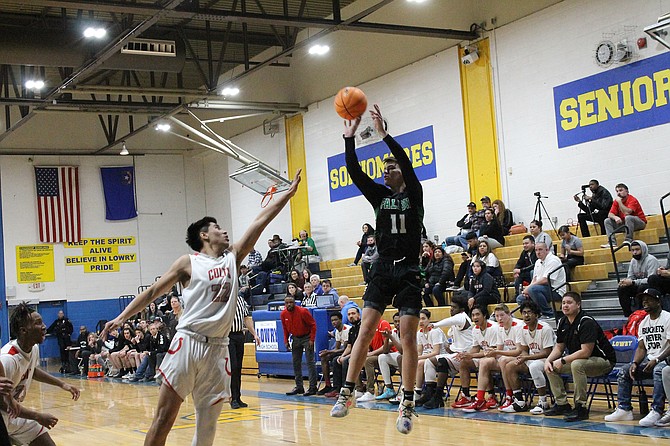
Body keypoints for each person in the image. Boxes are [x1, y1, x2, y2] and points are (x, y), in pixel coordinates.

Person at [101, 170, 301, 446]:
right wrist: (122, 316)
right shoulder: (188, 263)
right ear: (205, 235)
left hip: (218, 349)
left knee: (207, 430)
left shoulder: (233, 257)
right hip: (188, 343)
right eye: (218, 227)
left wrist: (287, 195)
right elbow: (151, 292)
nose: (225, 230)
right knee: (163, 420)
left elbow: (260, 221)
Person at [331, 105, 424, 435]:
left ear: (401, 172)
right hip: (384, 268)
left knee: (409, 338)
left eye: (391, 168)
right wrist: (349, 138)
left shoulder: (414, 193)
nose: (386, 172)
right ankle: (347, 393)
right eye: (385, 169)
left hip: (411, 268)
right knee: (366, 330)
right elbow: (355, 172)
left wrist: (385, 135)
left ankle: (408, 403)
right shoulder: (379, 196)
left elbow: (408, 165)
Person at [1, 303, 80, 445]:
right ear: (24, 330)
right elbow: (2, 403)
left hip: (15, 414)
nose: (44, 326)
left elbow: (32, 370)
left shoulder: (33, 348)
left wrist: (62, 384)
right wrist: (37, 416)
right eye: (37, 323)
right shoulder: (8, 359)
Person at [544, 292, 616, 421]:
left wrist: (563, 360)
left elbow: (585, 352)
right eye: (564, 303)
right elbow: (559, 347)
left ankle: (580, 407)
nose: (565, 306)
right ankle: (562, 404)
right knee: (551, 367)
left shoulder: (586, 321)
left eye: (569, 303)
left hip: (603, 361)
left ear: (578, 305)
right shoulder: (562, 321)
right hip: (580, 360)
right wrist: (549, 360)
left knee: (577, 364)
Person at [605, 289, 670, 426]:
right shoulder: (643, 323)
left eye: (649, 299)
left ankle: (657, 410)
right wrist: (635, 362)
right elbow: (641, 347)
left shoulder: (667, 318)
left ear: (658, 302)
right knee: (625, 370)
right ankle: (624, 409)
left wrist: (657, 359)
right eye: (643, 299)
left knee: (659, 369)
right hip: (649, 361)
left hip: (665, 360)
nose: (644, 302)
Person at [500, 300, 555, 414]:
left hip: (549, 360)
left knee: (534, 367)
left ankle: (543, 401)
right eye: (524, 312)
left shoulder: (545, 328)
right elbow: (524, 350)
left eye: (529, 312)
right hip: (533, 358)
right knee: (510, 366)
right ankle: (519, 401)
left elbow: (547, 352)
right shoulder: (522, 329)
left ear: (536, 314)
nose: (526, 315)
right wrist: (522, 358)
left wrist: (527, 358)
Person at [422, 295, 473, 409]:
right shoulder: (456, 324)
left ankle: (438, 396)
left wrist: (434, 324)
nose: (451, 309)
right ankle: (430, 392)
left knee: (442, 361)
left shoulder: (462, 317)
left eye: (454, 307)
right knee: (429, 361)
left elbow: (450, 320)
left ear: (461, 310)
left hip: (467, 355)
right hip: (456, 355)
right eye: (451, 306)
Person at [451, 305, 499, 410]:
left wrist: (471, 355)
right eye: (473, 315)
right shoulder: (475, 329)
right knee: (464, 362)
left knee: (484, 362)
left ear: (485, 315)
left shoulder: (494, 327)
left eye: (477, 314)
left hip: (499, 357)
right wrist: (465, 354)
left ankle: (491, 396)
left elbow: (493, 352)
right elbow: (475, 348)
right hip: (486, 357)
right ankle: (466, 396)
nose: (475, 317)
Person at [228, 295, 260, 409]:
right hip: (227, 336)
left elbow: (246, 318)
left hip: (239, 335)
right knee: (233, 367)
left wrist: (254, 334)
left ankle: (238, 397)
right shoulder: (223, 299)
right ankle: (232, 397)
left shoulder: (241, 300)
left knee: (239, 367)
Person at [281, 296, 318, 396]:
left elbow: (313, 325)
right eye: (287, 303)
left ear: (294, 303)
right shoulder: (283, 314)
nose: (289, 304)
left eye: (291, 302)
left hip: (306, 337)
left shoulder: (303, 311)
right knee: (295, 362)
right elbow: (285, 328)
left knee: (310, 362)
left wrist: (312, 339)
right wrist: (286, 341)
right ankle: (299, 387)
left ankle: (312, 387)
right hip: (295, 338)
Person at [519, 242, 566, 318]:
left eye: (540, 249)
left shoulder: (553, 260)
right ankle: (534, 315)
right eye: (536, 250)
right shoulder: (538, 262)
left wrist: (529, 288)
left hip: (556, 290)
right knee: (520, 298)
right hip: (543, 289)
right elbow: (534, 279)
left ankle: (549, 314)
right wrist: (527, 289)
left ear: (547, 250)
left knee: (533, 289)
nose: (538, 252)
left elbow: (546, 280)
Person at [325, 306, 363, 399]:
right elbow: (349, 347)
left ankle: (346, 388)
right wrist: (341, 356)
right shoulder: (352, 330)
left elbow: (362, 347)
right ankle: (336, 388)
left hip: (362, 353)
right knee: (336, 360)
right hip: (352, 353)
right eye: (349, 314)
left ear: (359, 315)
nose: (351, 316)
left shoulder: (362, 328)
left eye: (353, 314)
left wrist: (345, 357)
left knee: (346, 361)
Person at [617, 240, 660, 317]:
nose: (635, 252)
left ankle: (642, 313)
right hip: (638, 284)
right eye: (632, 250)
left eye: (637, 250)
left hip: (651, 287)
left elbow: (651, 279)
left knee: (642, 287)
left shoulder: (651, 260)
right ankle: (629, 315)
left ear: (643, 249)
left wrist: (633, 282)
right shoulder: (633, 261)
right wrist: (625, 282)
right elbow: (630, 277)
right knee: (621, 289)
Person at [357, 317, 394, 403]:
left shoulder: (383, 324)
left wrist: (371, 353)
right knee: (356, 360)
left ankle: (370, 391)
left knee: (368, 361)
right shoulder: (370, 327)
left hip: (388, 355)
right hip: (377, 356)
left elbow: (386, 346)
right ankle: (359, 389)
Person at [602, 183, 647, 248]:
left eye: (621, 190)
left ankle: (628, 240)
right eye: (617, 191)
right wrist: (615, 217)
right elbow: (610, 214)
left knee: (628, 218)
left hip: (639, 223)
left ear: (627, 191)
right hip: (626, 224)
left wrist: (620, 202)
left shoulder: (632, 199)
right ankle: (612, 243)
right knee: (607, 221)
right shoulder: (616, 201)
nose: (618, 193)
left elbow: (627, 212)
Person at [317, 313, 350, 395]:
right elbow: (337, 348)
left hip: (349, 352)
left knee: (335, 360)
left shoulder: (346, 329)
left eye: (335, 320)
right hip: (342, 351)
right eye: (332, 320)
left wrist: (329, 351)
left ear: (341, 320)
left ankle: (338, 387)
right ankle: (328, 385)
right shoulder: (337, 331)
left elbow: (345, 349)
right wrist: (327, 352)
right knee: (324, 357)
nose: (333, 322)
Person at [375, 312, 402, 401]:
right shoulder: (394, 332)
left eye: (399, 321)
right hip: (400, 357)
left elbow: (403, 351)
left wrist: (390, 336)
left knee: (400, 358)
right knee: (382, 357)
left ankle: (404, 390)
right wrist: (386, 338)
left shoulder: (408, 331)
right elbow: (385, 351)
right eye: (395, 322)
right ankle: (389, 388)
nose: (397, 323)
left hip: (412, 357)